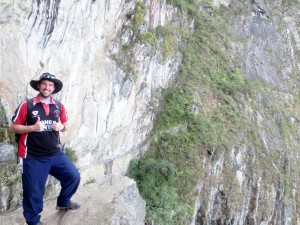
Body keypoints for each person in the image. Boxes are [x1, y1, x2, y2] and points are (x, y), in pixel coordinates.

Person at [10, 72, 81, 225]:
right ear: (39, 86)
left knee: (73, 176)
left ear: (54, 88)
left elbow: (66, 124)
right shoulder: (27, 105)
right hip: (32, 157)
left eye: (50, 85)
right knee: (34, 193)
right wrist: (32, 128)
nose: (47, 87)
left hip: (55, 154)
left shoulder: (59, 106)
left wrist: (62, 127)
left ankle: (63, 202)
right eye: (44, 84)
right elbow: (14, 127)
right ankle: (33, 221)